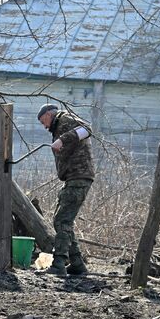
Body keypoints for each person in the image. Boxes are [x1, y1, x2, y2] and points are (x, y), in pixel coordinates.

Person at [37, 103, 95, 276]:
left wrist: (62, 139)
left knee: (61, 220)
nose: (44, 126)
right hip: (73, 177)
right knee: (63, 220)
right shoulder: (58, 126)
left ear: (49, 114)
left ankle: (59, 264)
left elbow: (87, 129)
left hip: (79, 176)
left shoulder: (65, 118)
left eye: (43, 121)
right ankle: (77, 264)